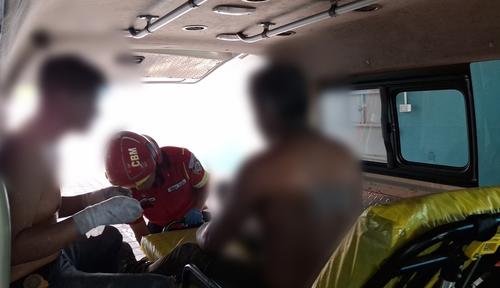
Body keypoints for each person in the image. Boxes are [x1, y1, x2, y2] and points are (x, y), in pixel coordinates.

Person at [0, 55, 174, 287]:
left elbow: (39, 210)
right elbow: (12, 250)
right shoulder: (25, 157)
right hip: (34, 276)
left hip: (55, 258)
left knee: (111, 240)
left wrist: (92, 198)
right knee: (158, 286)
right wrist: (93, 216)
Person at [195, 64, 363, 288]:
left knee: (188, 255)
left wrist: (202, 229)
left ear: (267, 110)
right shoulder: (342, 157)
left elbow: (213, 240)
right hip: (338, 273)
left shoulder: (262, 167)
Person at [104, 131, 209, 242]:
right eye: (130, 186)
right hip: (159, 227)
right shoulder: (124, 195)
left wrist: (197, 208)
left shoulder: (183, 160)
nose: (137, 189)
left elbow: (205, 185)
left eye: (142, 182)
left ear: (156, 165)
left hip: (196, 217)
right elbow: (142, 234)